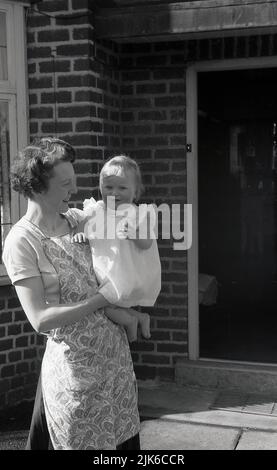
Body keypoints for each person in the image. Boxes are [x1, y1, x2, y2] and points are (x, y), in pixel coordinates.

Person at [2, 137, 141, 450]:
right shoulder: (22, 242)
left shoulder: (79, 219)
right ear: (37, 186)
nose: (73, 191)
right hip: (75, 374)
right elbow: (40, 319)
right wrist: (102, 299)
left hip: (115, 364)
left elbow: (130, 238)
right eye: (65, 183)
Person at [72, 155, 161, 342]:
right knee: (114, 303)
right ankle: (140, 317)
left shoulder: (139, 214)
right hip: (107, 271)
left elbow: (147, 243)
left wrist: (134, 234)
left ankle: (129, 322)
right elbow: (82, 226)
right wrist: (81, 233)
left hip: (126, 272)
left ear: (135, 192)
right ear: (100, 188)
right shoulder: (96, 210)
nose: (114, 193)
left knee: (104, 305)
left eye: (122, 188)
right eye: (108, 187)